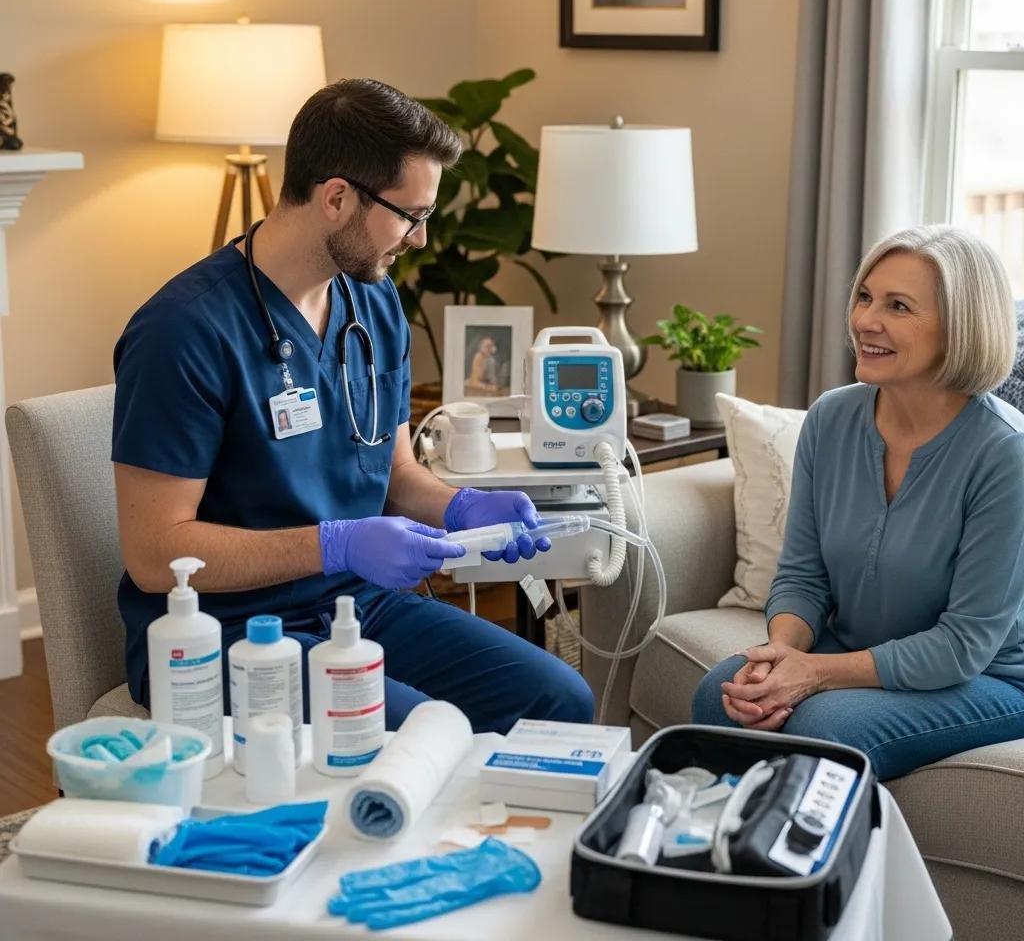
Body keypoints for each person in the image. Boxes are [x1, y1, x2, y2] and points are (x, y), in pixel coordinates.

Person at [112, 78, 594, 732]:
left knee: (558, 699)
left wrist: (460, 507)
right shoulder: (184, 331)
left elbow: (394, 473)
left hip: (353, 605)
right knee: (420, 733)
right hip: (218, 634)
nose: (420, 240)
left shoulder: (373, 301)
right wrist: (336, 544)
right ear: (337, 197)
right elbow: (153, 553)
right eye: (412, 215)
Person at [692, 224, 1024, 780]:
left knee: (828, 731)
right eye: (866, 297)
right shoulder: (832, 417)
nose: (865, 321)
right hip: (853, 641)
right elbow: (802, 575)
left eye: (898, 306)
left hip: (987, 676)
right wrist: (780, 658)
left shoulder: (1005, 454)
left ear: (959, 327)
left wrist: (815, 673)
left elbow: (963, 645)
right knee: (717, 700)